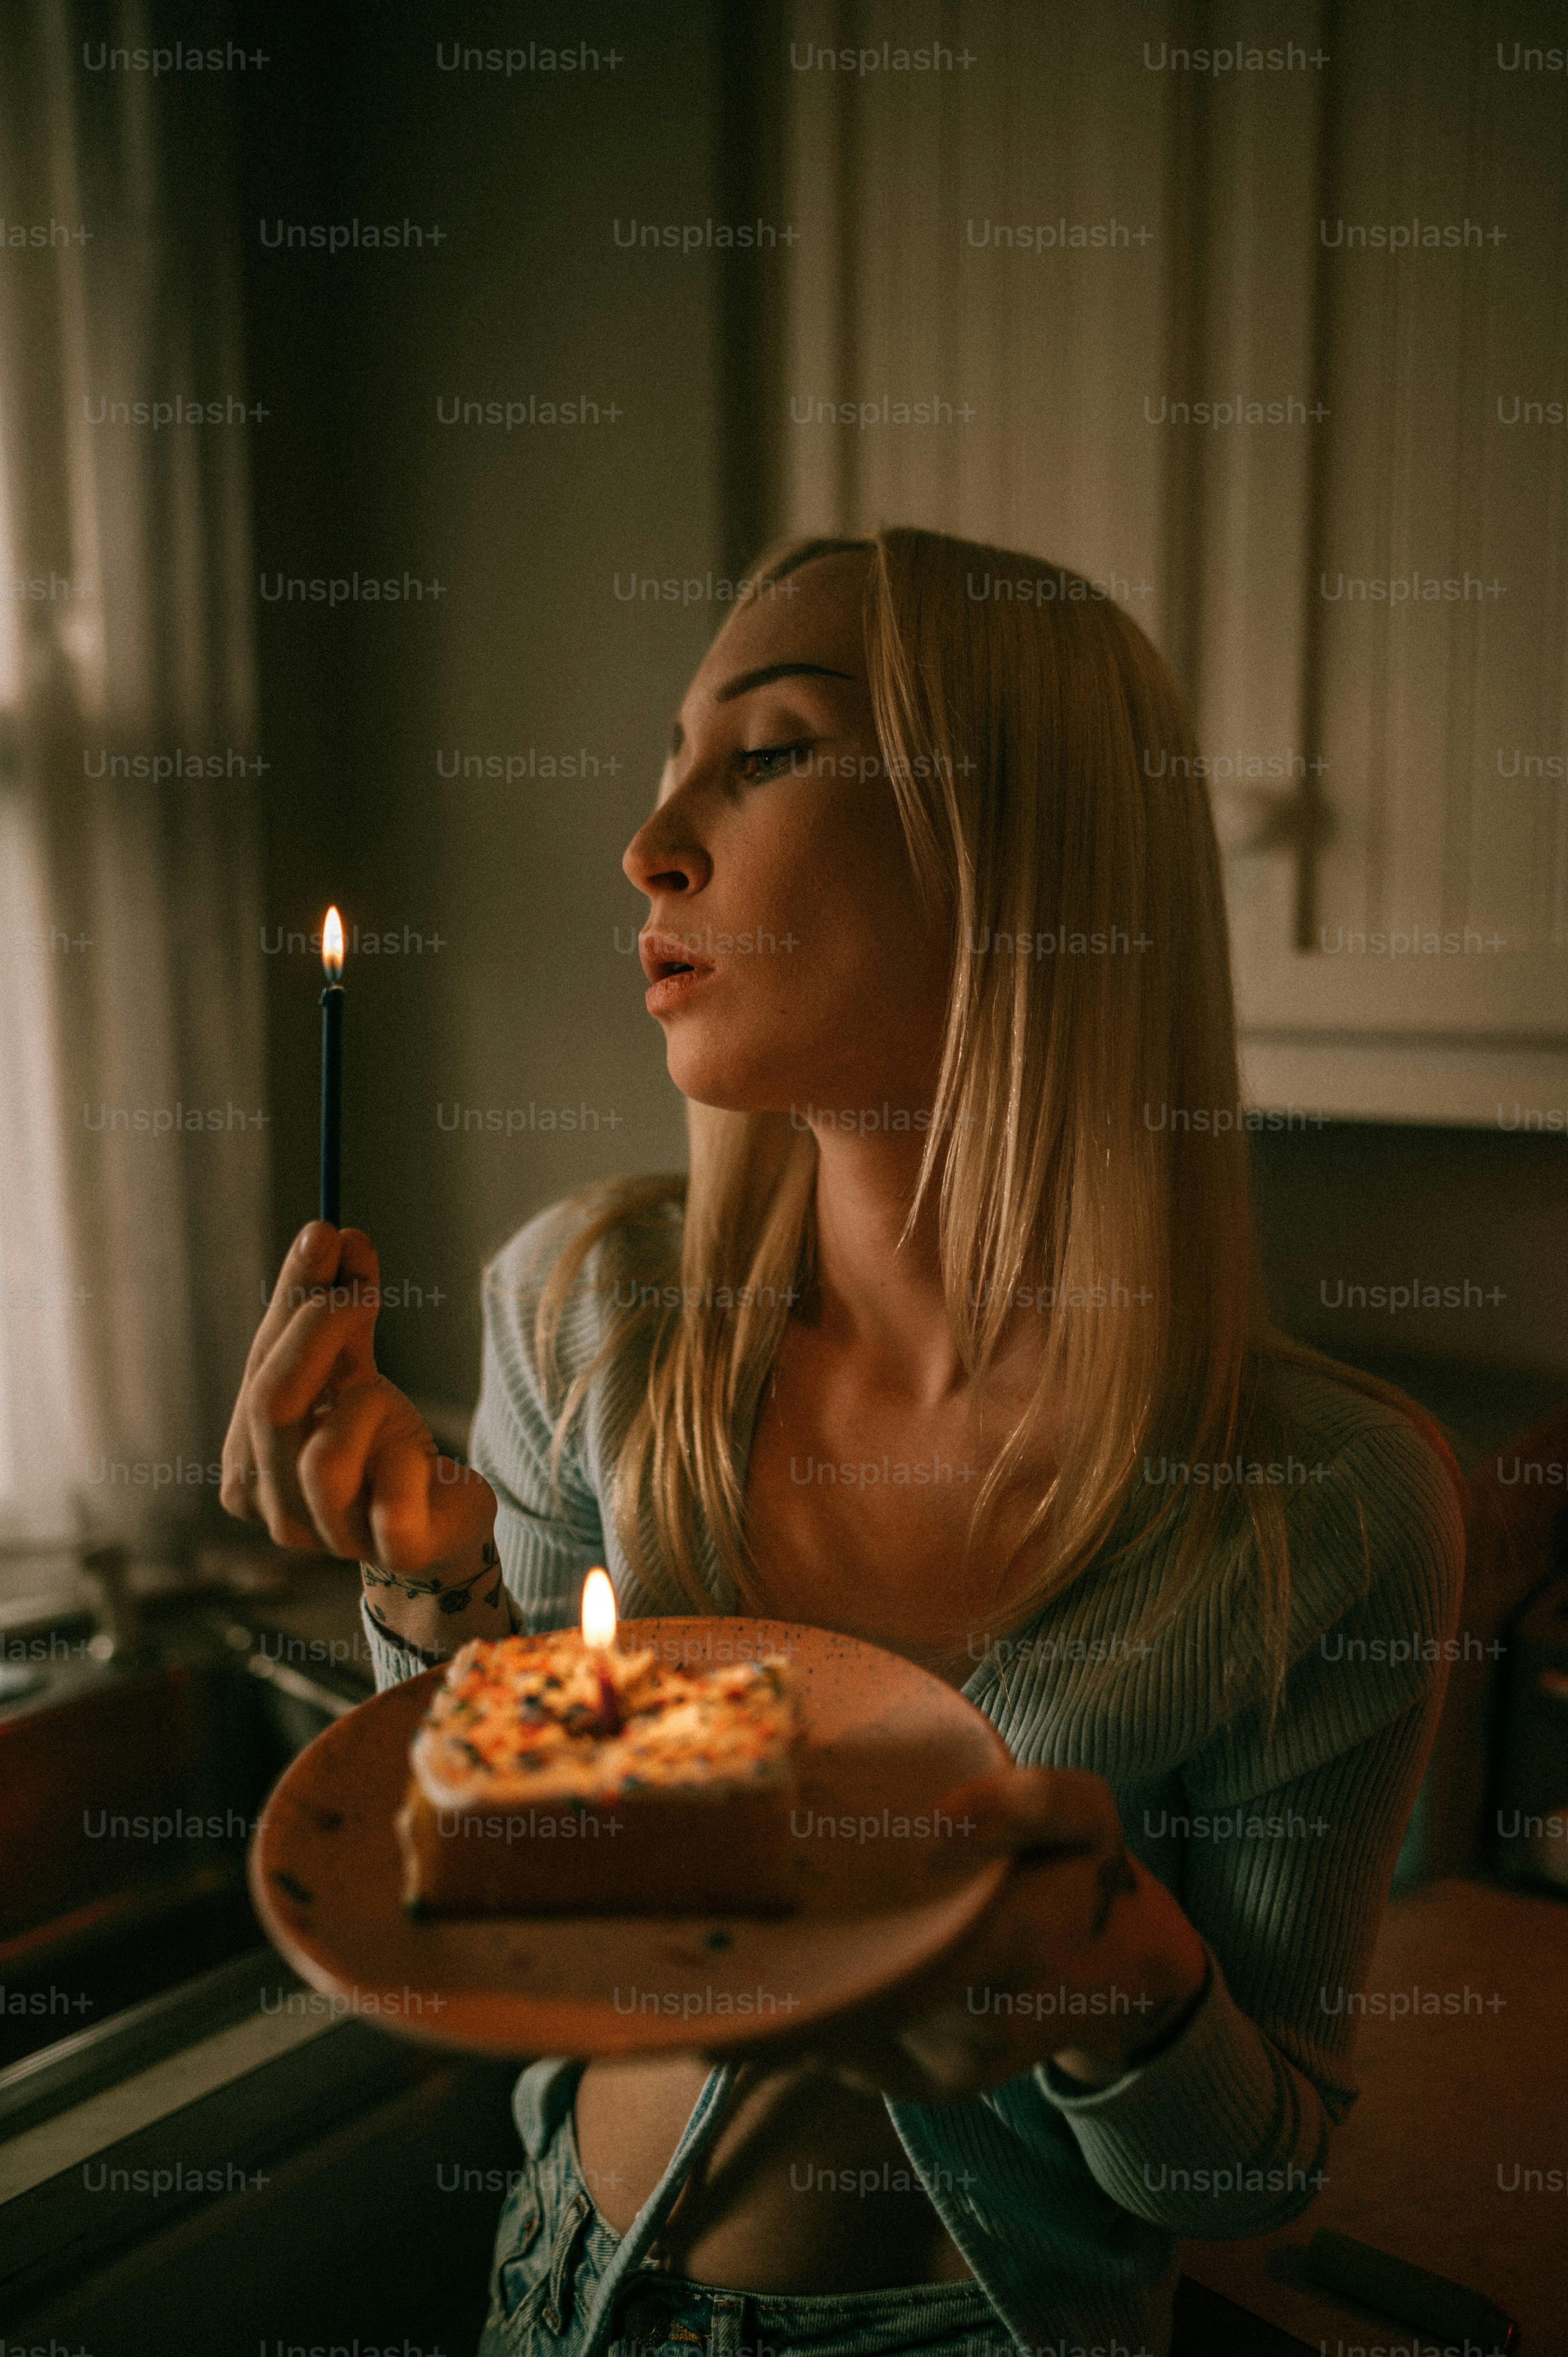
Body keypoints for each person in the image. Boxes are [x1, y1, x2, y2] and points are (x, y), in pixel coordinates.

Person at [222, 528, 1465, 2357]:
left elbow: (1247, 2179)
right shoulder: (584, 1312)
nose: (649, 844)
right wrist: (423, 1574)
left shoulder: (1321, 1508)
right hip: (565, 2293)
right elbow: (524, 1886)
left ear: (1022, 849)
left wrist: (1118, 1979)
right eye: (671, 762)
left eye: (771, 751)